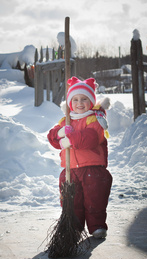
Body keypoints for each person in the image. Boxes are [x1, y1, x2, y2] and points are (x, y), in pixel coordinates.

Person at [47, 76, 112, 239]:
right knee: (71, 201)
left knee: (94, 199)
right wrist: (60, 133)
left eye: (84, 98)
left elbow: (91, 138)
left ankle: (97, 226)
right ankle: (73, 228)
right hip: (70, 169)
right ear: (69, 103)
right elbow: (52, 138)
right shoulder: (66, 120)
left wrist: (70, 139)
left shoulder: (96, 118)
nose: (79, 103)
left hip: (93, 169)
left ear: (91, 101)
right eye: (75, 99)